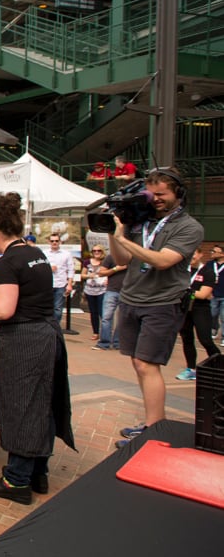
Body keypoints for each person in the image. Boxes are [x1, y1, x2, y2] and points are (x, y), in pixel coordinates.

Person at [0, 191, 75, 505]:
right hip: (47, 335)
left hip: (25, 342)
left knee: (21, 406)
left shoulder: (6, 262)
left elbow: (4, 309)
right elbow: (26, 289)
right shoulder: (34, 254)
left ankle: (16, 480)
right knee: (43, 405)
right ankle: (38, 472)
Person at [108, 171, 203, 446]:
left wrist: (125, 239)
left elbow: (163, 260)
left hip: (162, 303)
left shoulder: (189, 227)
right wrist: (116, 233)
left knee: (148, 364)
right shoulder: (141, 222)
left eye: (163, 194)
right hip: (131, 299)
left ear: (178, 194)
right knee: (139, 364)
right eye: (152, 195)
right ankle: (151, 422)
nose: (157, 200)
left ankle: (154, 429)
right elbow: (123, 258)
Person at [176, 247, 220, 381]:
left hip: (201, 309)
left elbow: (204, 294)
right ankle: (191, 369)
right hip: (183, 309)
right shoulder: (181, 271)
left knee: (205, 339)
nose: (191, 257)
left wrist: (186, 293)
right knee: (186, 338)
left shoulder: (207, 272)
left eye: (194, 254)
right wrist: (191, 293)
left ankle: (218, 366)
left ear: (200, 254)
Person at [43, 234, 74, 323]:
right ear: (49, 242)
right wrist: (49, 268)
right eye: (52, 241)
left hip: (60, 284)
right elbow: (39, 267)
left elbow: (71, 270)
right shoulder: (44, 253)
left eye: (56, 241)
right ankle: (48, 328)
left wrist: (69, 284)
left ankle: (56, 329)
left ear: (60, 242)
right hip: (47, 284)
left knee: (58, 309)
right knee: (46, 307)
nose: (54, 243)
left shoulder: (66, 254)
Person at [82, 246, 109, 341]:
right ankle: (96, 332)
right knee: (93, 313)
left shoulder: (106, 261)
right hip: (90, 291)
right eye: (94, 251)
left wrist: (107, 280)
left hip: (102, 290)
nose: (96, 252)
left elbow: (109, 273)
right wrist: (90, 275)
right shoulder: (87, 262)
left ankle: (106, 333)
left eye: (99, 250)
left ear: (102, 252)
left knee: (103, 313)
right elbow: (82, 275)